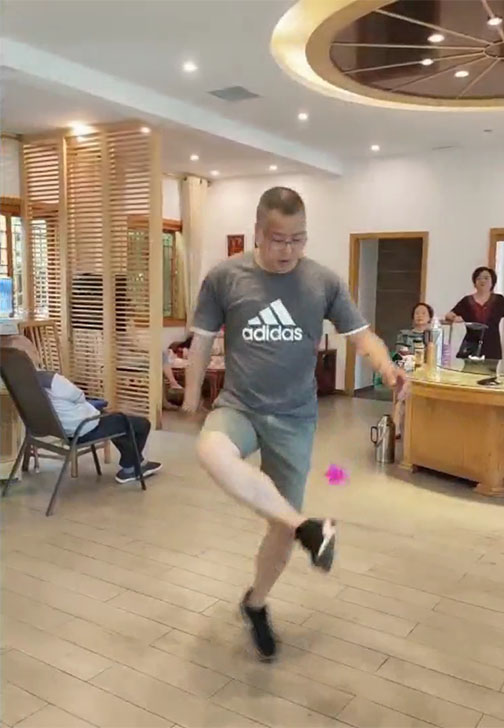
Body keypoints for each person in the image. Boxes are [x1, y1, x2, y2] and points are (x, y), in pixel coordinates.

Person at [183, 186, 406, 661]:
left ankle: (256, 602)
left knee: (279, 528)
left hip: (294, 417)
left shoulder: (322, 281)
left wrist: (387, 368)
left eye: (298, 239)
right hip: (240, 405)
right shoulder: (225, 277)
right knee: (209, 449)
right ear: (258, 232)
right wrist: (189, 397)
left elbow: (362, 336)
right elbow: (200, 341)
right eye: (278, 239)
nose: (288, 250)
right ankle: (309, 528)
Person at [3, 334, 162, 484]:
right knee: (141, 424)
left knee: (115, 421)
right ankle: (131, 467)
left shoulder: (18, 383)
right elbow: (79, 396)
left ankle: (134, 464)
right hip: (82, 428)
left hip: (58, 429)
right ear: (31, 353)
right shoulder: (52, 380)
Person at [445, 267, 504, 359]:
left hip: (492, 344)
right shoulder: (467, 301)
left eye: (486, 278)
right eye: (479, 278)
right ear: (474, 282)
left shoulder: (499, 300)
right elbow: (450, 315)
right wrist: (457, 319)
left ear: (492, 282)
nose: (482, 281)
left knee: (491, 366)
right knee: (468, 366)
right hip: (471, 344)